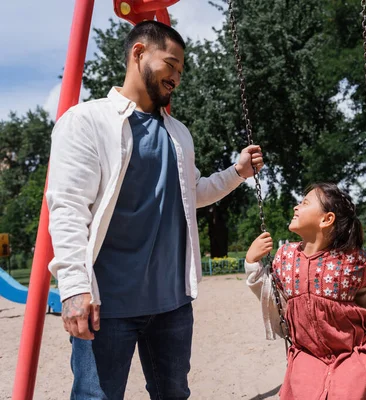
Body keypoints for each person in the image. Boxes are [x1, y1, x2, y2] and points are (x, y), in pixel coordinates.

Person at [46, 21, 263, 399]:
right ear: (139, 53)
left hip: (172, 304)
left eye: (181, 71)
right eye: (171, 64)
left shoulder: (178, 133)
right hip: (106, 305)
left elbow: (191, 193)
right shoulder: (87, 121)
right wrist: (74, 289)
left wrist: (237, 173)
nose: (177, 77)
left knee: (174, 395)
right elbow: (67, 210)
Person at [245, 183, 366, 400]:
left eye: (305, 203)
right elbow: (269, 296)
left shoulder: (351, 260)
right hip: (306, 354)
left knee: (353, 390)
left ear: (326, 219)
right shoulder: (285, 257)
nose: (296, 207)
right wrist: (252, 262)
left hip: (350, 354)